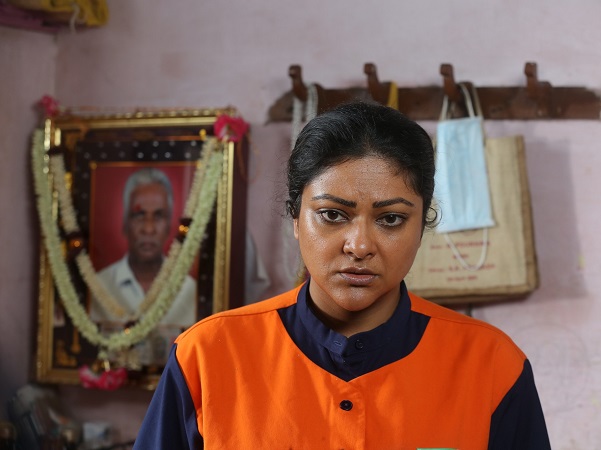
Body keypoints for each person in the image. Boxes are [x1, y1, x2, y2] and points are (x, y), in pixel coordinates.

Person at [133, 102, 551, 449]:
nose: (360, 245)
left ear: (422, 225)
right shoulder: (205, 357)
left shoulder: (492, 365)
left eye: (391, 219)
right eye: (332, 215)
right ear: (295, 218)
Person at [89, 167, 197, 366]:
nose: (148, 228)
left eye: (158, 216)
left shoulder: (190, 290)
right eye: (139, 215)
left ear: (169, 225)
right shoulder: (99, 286)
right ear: (124, 223)